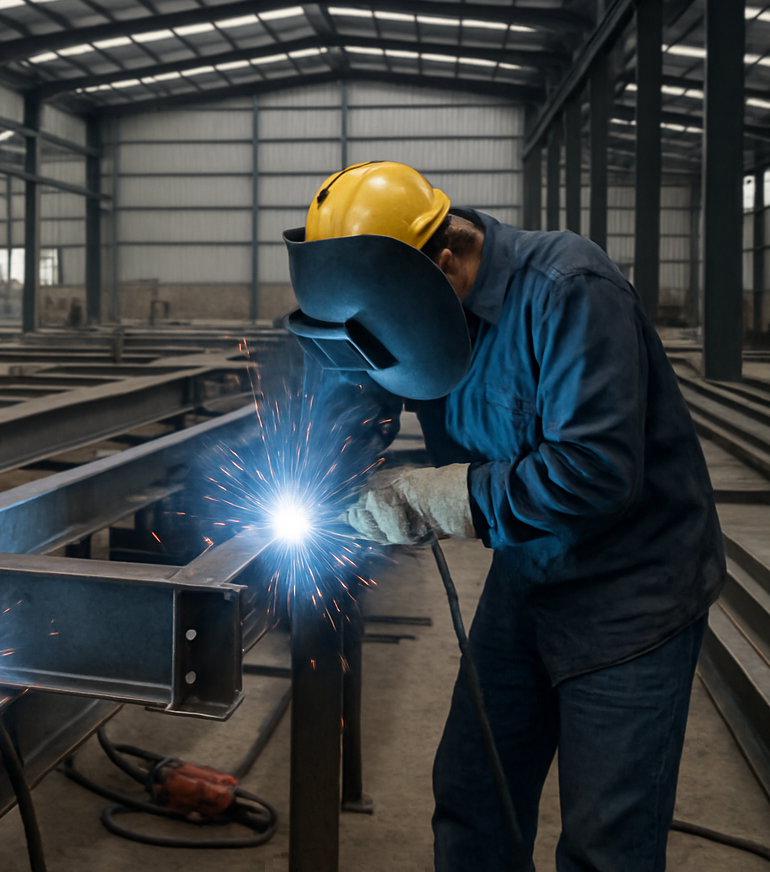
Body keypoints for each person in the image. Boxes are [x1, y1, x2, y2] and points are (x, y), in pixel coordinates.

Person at [283, 161, 725, 872]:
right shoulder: (410, 305)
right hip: (527, 576)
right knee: (473, 799)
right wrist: (322, 459)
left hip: (633, 592)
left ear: (448, 259)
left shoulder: (569, 291)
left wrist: (431, 498)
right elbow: (362, 386)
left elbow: (595, 472)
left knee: (604, 841)